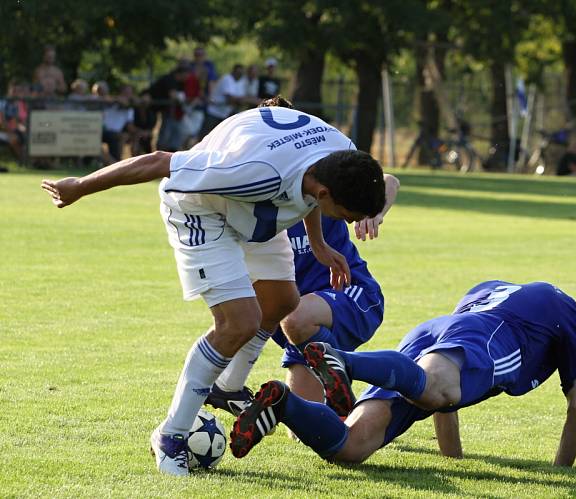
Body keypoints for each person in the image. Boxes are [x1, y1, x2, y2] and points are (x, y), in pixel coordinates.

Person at [40, 104, 387, 476]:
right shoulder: (252, 174)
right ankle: (170, 436)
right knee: (237, 323)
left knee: (283, 300)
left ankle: (226, 387)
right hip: (199, 208)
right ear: (324, 192)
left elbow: (310, 188)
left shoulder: (341, 154)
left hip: (258, 207)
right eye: (347, 216)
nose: (349, 224)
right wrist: (79, 186)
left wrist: (318, 244)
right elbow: (159, 162)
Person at [230, 280, 576, 467]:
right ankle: (344, 361)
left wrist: (453, 460)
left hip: (430, 333)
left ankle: (285, 403)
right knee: (440, 387)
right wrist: (561, 471)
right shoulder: (564, 307)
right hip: (488, 336)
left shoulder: (488, 289)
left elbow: (442, 396)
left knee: (351, 447)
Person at [203, 96, 400, 424]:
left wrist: (375, 213)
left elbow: (389, 180)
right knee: (315, 427)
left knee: (295, 316)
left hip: (348, 296)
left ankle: (346, 373)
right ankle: (292, 404)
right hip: (295, 329)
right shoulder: (256, 188)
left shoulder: (329, 175)